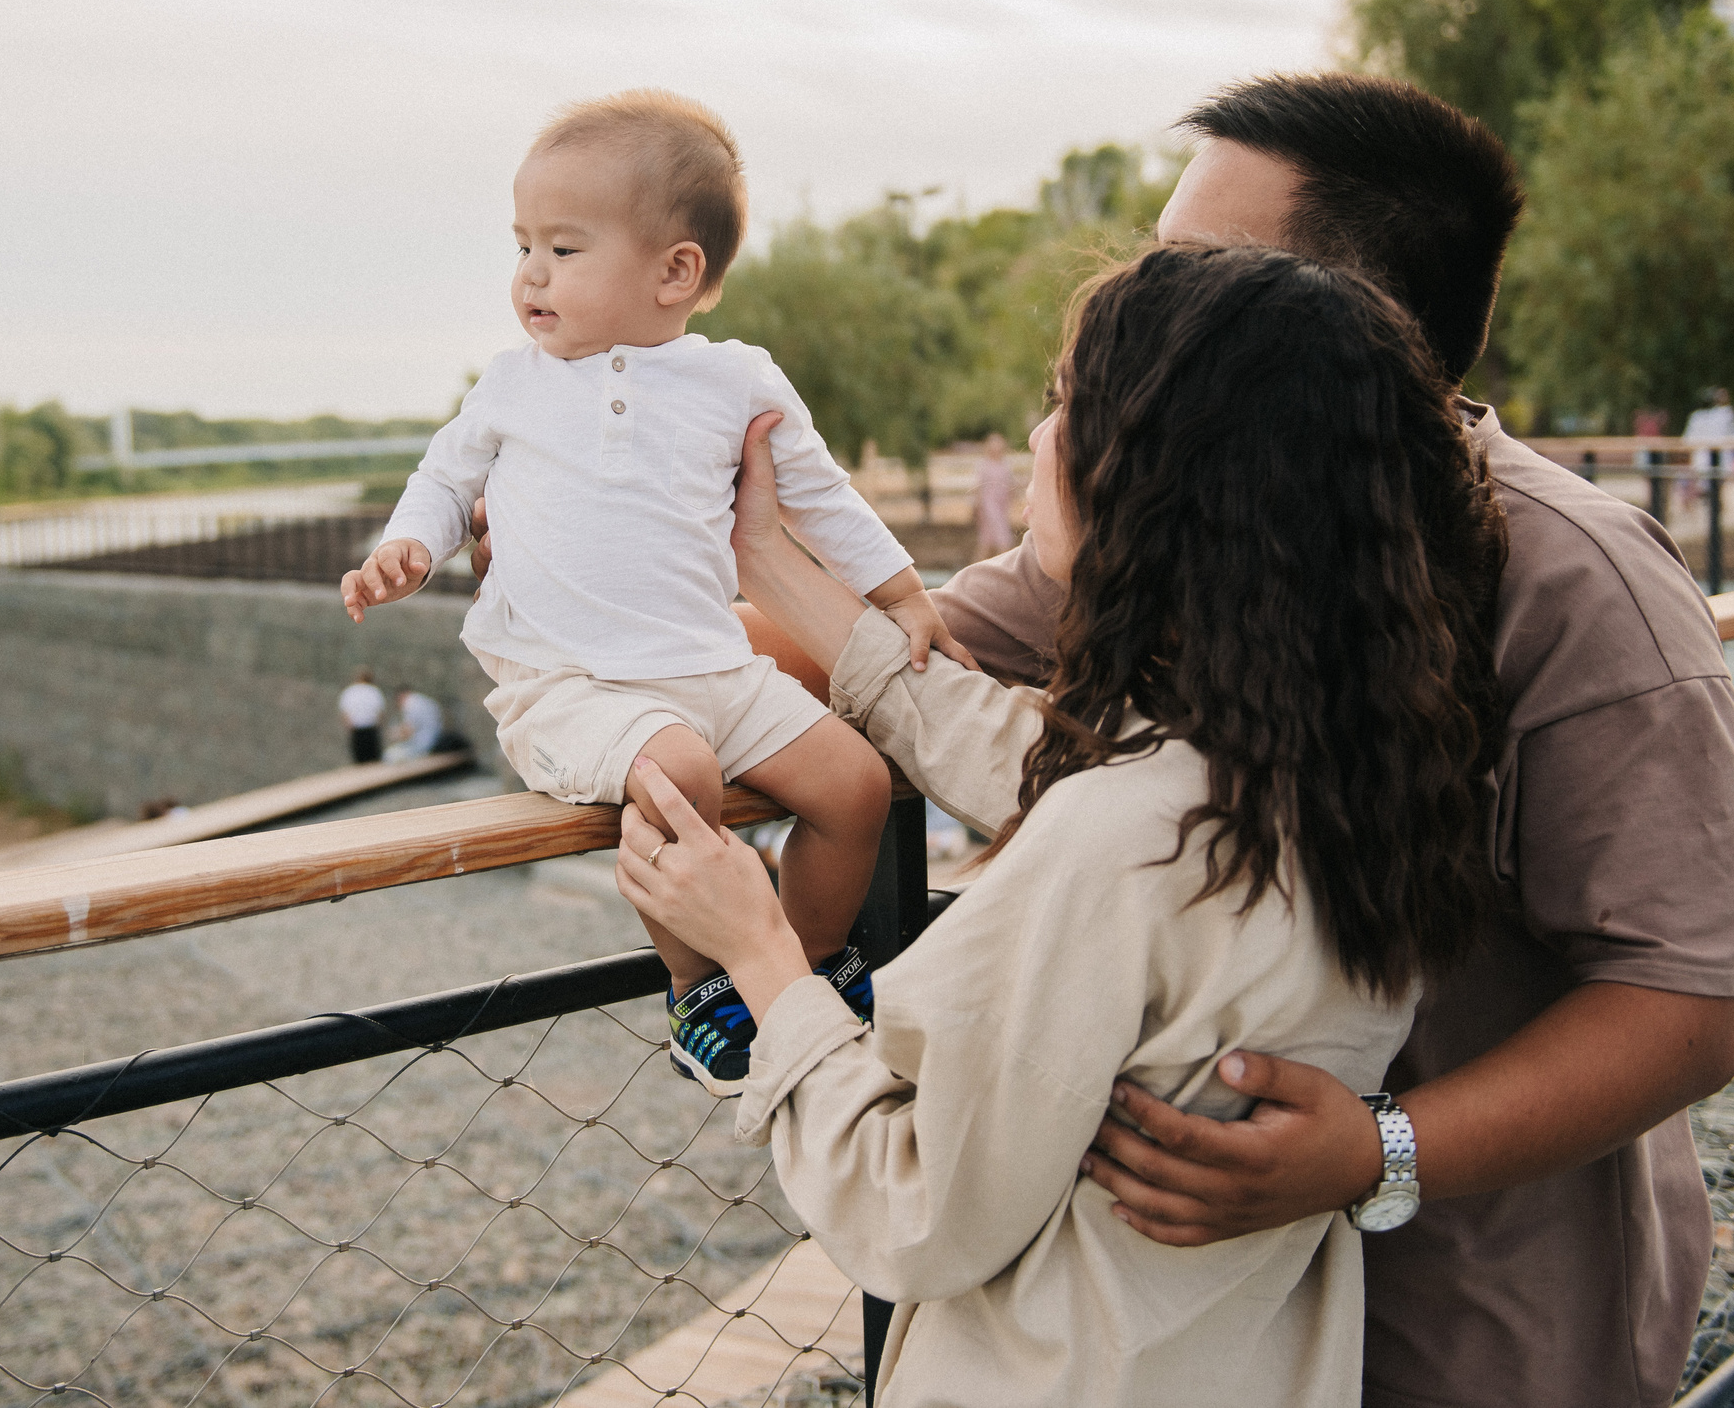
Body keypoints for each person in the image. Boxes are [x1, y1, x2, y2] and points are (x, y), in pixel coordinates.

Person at [739, 73, 1734, 1408]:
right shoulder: (1176, 536)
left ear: (1331, 319)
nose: (1150, 297)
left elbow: (1682, 1007)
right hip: (1207, 1330)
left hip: (1482, 1311)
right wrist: (589, 600)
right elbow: (901, 659)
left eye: (1189, 269)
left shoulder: (1581, 585)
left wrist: (1375, 1151)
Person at [618, 244, 1508, 1406]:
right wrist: (770, 557)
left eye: (1062, 406)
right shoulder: (1351, 773)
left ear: (1152, 481)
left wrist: (759, 957)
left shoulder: (1118, 840)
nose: (1037, 438)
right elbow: (1037, 757)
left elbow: (915, 1206)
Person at [339, 88, 972, 1096]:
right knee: (679, 771)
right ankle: (694, 989)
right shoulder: (511, 383)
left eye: (564, 249)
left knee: (854, 785)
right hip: (573, 684)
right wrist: (407, 547)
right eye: (522, 247)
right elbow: (444, 482)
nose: (530, 274)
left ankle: (792, 971)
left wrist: (900, 589)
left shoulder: (737, 383)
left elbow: (818, 495)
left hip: (715, 661)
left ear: (677, 270)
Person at [1683, 388, 1734, 506]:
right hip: (1721, 461)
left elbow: (1687, 440)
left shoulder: (1696, 417)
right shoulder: (1727, 414)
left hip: (1703, 461)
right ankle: (1712, 500)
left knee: (1708, 480)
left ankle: (1709, 499)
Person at [970, 431, 1018, 561]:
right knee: (1004, 539)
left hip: (1002, 505)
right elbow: (979, 487)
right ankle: (1002, 569)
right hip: (989, 505)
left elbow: (1010, 485)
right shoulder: (984, 465)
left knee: (987, 542)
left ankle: (977, 572)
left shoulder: (1005, 464)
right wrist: (976, 506)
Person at [338, 668, 385, 764]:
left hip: (357, 730)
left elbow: (345, 714)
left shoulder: (349, 692)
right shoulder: (374, 691)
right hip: (371, 729)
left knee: (359, 761)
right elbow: (380, 713)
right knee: (374, 760)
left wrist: (350, 728)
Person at [388, 685, 446, 759]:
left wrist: (394, 734)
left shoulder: (410, 704)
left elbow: (408, 731)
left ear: (400, 696)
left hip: (424, 745)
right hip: (436, 739)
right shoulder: (423, 700)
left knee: (390, 755)